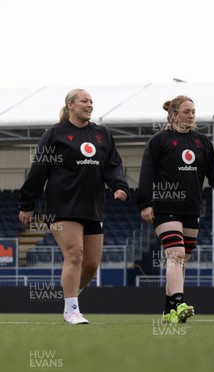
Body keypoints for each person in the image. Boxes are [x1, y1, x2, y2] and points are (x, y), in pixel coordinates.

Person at [19, 88, 129, 325]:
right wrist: (27, 204)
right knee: (75, 254)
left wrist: (119, 186)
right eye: (84, 101)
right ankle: (71, 310)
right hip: (62, 206)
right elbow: (39, 170)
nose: (89, 104)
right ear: (70, 105)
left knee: (91, 265)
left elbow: (113, 166)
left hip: (93, 206)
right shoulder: (54, 134)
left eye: (91, 101)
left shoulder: (102, 134)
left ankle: (70, 298)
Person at [137, 95, 214, 324]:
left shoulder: (202, 141)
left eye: (193, 111)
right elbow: (146, 174)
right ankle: (180, 302)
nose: (191, 115)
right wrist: (145, 203)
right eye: (186, 111)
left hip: (191, 208)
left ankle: (167, 311)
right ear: (173, 114)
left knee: (182, 261)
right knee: (176, 254)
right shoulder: (158, 141)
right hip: (165, 207)